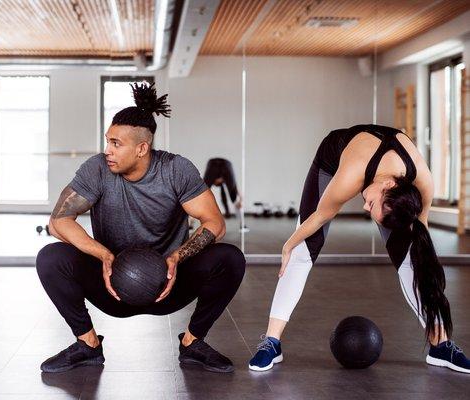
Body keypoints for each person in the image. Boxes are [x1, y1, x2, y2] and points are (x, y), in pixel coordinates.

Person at [36, 82, 245, 374]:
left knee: (230, 258)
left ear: (142, 148)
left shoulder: (175, 169)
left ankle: (192, 342)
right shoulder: (97, 169)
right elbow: (58, 222)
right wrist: (105, 257)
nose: (107, 150)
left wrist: (175, 259)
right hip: (112, 286)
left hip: (167, 284)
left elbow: (215, 224)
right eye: (107, 141)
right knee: (51, 257)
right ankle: (88, 344)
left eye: (115, 144)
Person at [248, 124, 470, 374]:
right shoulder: (350, 176)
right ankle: (271, 342)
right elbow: (320, 217)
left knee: (412, 259)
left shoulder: (422, 184)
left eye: (372, 211)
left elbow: (422, 230)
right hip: (332, 160)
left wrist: (427, 264)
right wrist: (288, 244)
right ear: (387, 185)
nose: (365, 208)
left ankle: (441, 345)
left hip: (377, 168)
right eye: (372, 204)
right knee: (301, 251)